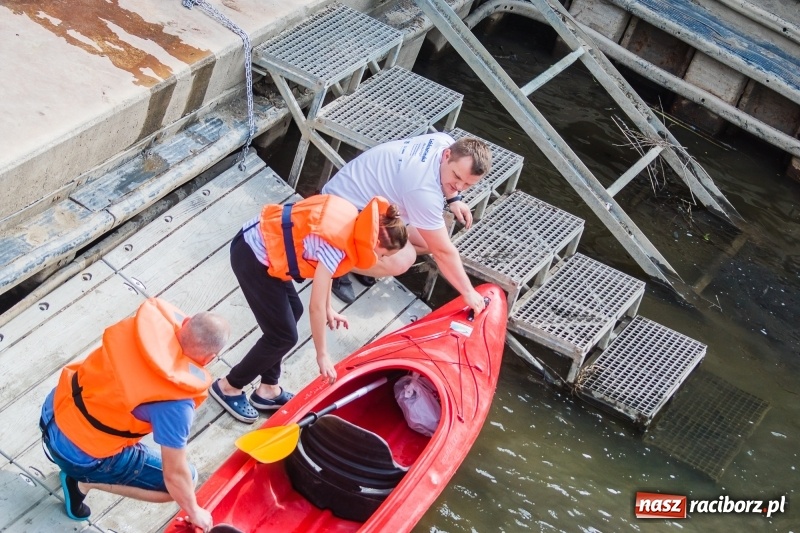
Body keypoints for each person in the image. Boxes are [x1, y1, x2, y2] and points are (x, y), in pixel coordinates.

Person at [210, 194, 407, 424]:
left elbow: (326, 275)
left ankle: (268, 389)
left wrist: (329, 308)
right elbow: (315, 307)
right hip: (253, 256)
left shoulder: (353, 221)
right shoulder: (337, 247)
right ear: (376, 242)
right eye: (382, 255)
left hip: (264, 247)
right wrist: (322, 355)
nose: (379, 259)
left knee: (293, 313)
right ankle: (229, 386)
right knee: (283, 336)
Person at [39, 299, 231, 532]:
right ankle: (83, 482)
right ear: (209, 359)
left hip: (53, 410)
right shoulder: (176, 404)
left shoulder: (139, 330)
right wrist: (194, 511)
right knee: (186, 480)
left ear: (185, 322)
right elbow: (175, 476)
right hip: (77, 455)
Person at [321, 132, 491, 313]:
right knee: (403, 260)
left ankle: (365, 255)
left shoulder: (444, 142)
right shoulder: (423, 191)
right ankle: (334, 261)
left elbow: (438, 244)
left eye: (467, 184)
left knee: (427, 241)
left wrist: (453, 199)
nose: (459, 187)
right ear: (447, 155)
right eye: (456, 177)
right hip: (339, 213)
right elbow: (442, 252)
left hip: (363, 200)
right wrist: (468, 292)